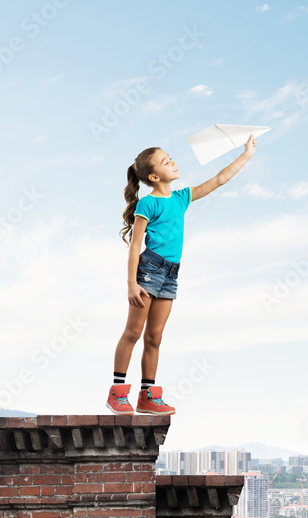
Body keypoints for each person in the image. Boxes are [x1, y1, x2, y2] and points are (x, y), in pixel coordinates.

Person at [106, 134, 257, 415]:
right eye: (166, 161)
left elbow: (219, 179)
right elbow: (136, 245)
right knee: (133, 332)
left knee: (155, 337)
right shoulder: (147, 204)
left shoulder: (182, 197)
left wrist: (246, 154)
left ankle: (147, 396)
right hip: (149, 270)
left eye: (170, 157)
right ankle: (117, 392)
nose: (172, 162)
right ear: (154, 176)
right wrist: (131, 283)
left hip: (171, 274)